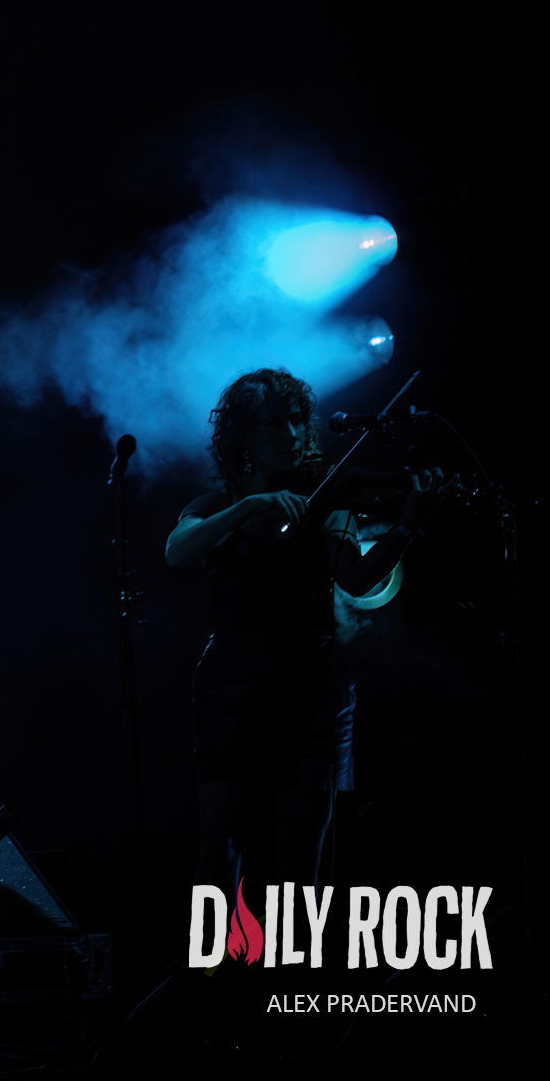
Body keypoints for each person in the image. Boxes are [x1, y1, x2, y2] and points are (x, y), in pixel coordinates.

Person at [166, 366, 449, 898]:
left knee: (303, 864)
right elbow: (177, 550)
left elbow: (357, 579)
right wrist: (250, 505)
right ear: (243, 436)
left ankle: (297, 955)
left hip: (314, 685)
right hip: (234, 686)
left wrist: (409, 521)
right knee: (220, 846)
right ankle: (214, 954)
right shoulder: (215, 505)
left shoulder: (328, 498)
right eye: (274, 424)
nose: (292, 435)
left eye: (298, 420)